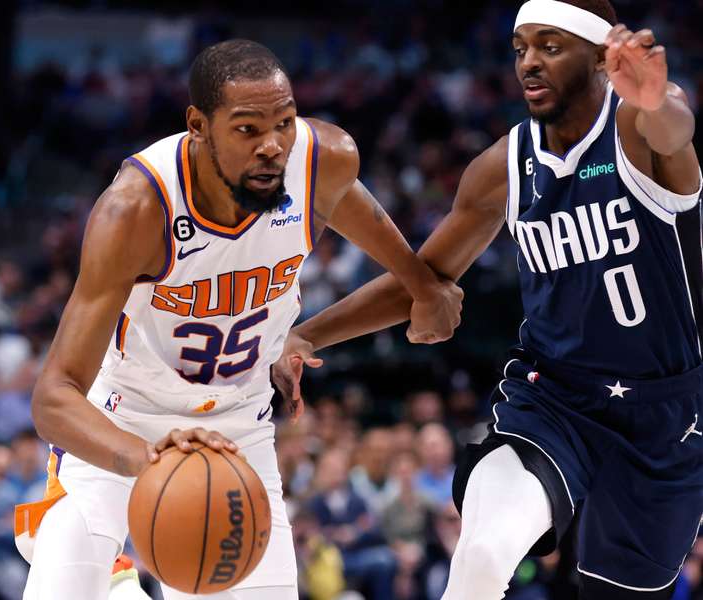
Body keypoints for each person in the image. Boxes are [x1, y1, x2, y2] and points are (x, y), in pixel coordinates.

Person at [274, 1, 702, 598]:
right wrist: (308, 334)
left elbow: (673, 129)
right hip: (552, 402)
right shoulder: (503, 163)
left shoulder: (636, 126)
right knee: (480, 555)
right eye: (521, 46)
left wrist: (656, 100)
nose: (529, 61)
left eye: (550, 46)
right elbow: (425, 276)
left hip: (665, 417)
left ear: (599, 58)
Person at [17, 39, 463, 600]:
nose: (273, 146)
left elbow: (363, 216)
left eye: (284, 122)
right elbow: (53, 398)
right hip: (123, 426)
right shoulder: (136, 209)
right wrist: (151, 460)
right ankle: (115, 579)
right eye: (248, 129)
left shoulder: (322, 163)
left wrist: (424, 286)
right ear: (198, 125)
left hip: (238, 431)